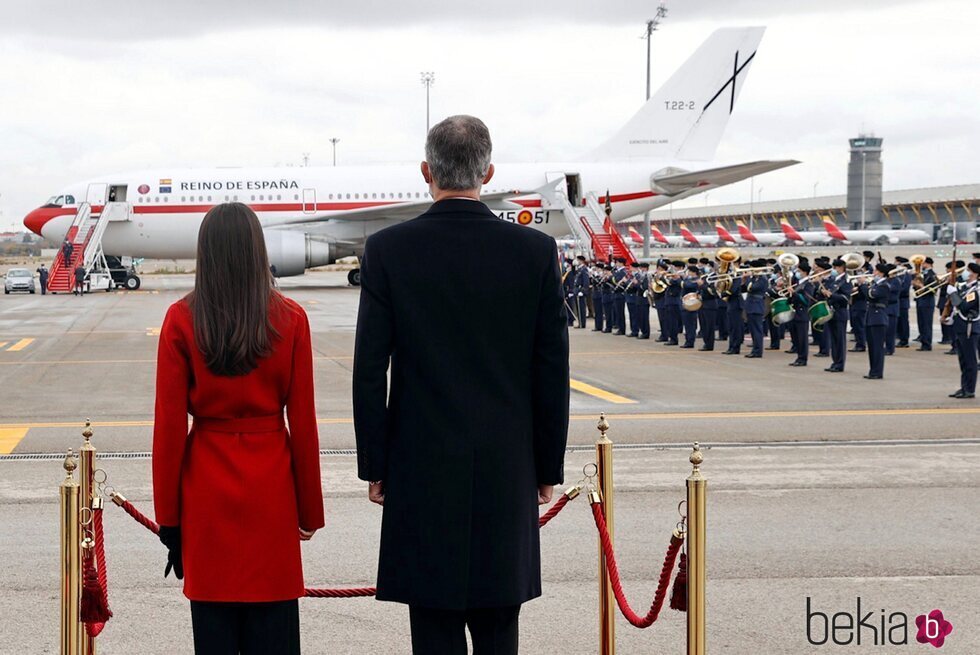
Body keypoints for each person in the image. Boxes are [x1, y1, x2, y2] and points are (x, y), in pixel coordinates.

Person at [352, 115, 569, 655]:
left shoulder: (388, 250)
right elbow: (551, 372)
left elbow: (368, 368)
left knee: (433, 631)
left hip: (421, 467)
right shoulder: (534, 252)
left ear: (426, 171)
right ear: (488, 172)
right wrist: (548, 467)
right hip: (506, 466)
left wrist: (376, 466)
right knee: (500, 627)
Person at [152, 202, 324, 654]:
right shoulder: (290, 318)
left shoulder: (181, 319)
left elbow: (168, 431)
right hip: (271, 486)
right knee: (275, 627)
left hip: (206, 486)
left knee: (214, 632)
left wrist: (169, 520)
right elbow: (303, 423)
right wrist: (309, 509)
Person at [947, 262, 979, 399]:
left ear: (975, 274)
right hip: (961, 326)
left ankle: (970, 389)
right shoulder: (966, 288)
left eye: (968, 270)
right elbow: (957, 307)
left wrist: (953, 294)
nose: (965, 272)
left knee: (970, 360)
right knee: (963, 360)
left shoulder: (975, 290)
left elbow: (964, 307)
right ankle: (964, 387)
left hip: (969, 328)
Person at [860, 263, 891, 380]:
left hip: (879, 317)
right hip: (871, 317)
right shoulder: (876, 284)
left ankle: (877, 372)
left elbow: (872, 295)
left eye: (876, 271)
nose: (874, 273)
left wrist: (863, 285)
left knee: (877, 347)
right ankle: (873, 370)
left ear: (881, 273)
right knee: (872, 347)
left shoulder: (884, 285)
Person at [822, 259, 852, 372]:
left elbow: (845, 298)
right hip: (832, 312)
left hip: (840, 312)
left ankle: (840, 364)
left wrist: (832, 295)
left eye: (836, 268)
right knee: (834, 339)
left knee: (840, 339)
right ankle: (835, 361)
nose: (834, 270)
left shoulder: (846, 281)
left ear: (841, 268)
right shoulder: (833, 280)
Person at [788, 261, 812, 367]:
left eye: (799, 271)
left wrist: (794, 293)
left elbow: (806, 300)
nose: (798, 273)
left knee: (802, 338)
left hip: (803, 313)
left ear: (805, 272)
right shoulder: (798, 283)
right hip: (795, 312)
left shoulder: (808, 284)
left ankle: (803, 358)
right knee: (796, 337)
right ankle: (799, 356)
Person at [744, 263, 769, 358]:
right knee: (753, 330)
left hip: (756, 306)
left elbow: (752, 287)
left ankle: (758, 351)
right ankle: (755, 349)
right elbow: (745, 288)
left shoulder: (762, 279)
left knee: (757, 330)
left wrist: (748, 278)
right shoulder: (755, 278)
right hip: (751, 305)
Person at [913, 257, 938, 351]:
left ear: (928, 264)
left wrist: (921, 286)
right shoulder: (922, 274)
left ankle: (927, 344)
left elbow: (934, 290)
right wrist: (915, 285)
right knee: (921, 323)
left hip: (928, 302)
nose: (922, 265)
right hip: (920, 300)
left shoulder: (932, 275)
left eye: (923, 263)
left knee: (927, 324)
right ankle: (923, 341)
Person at [722, 270, 744, 355]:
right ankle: (731, 346)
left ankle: (735, 347)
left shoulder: (737, 277)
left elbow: (733, 290)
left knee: (735, 327)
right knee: (731, 327)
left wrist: (723, 293)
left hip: (736, 303)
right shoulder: (730, 277)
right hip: (731, 303)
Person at [680, 265, 700, 348]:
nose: (688, 273)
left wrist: (684, 279)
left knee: (690, 324)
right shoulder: (689, 279)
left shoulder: (696, 280)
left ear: (693, 272)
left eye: (689, 271)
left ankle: (690, 341)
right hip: (686, 302)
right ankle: (687, 340)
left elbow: (688, 286)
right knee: (686, 323)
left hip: (692, 303)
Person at [895, 256, 912, 348]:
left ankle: (904, 340)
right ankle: (900, 338)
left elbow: (904, 289)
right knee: (899, 322)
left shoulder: (906, 276)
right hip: (898, 301)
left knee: (903, 322)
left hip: (903, 301)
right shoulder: (899, 275)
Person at [573, 256, 589, 330]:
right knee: (578, 307)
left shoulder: (584, 269)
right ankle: (580, 322)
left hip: (580, 290)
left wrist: (583, 291)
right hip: (577, 290)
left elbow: (586, 282)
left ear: (582, 261)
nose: (577, 261)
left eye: (578, 260)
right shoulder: (579, 269)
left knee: (581, 308)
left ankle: (582, 323)